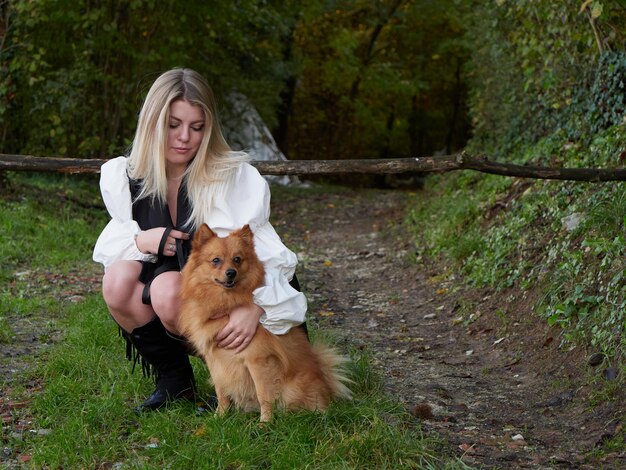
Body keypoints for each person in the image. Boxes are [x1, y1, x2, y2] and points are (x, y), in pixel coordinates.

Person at [93, 68, 307, 412]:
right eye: (172, 125)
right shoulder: (127, 175)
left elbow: (264, 253)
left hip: (237, 293)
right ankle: (174, 382)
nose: (184, 138)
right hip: (189, 278)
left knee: (167, 293)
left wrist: (258, 308)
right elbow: (114, 243)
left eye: (197, 127)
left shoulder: (231, 178)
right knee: (117, 281)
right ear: (152, 123)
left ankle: (234, 381)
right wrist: (143, 240)